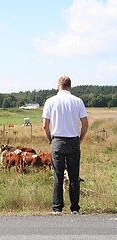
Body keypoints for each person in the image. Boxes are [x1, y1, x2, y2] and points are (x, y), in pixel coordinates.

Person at [42, 76, 88, 214]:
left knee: (58, 175)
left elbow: (45, 125)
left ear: (58, 87)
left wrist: (51, 140)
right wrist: (80, 139)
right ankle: (75, 208)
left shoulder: (50, 101)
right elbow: (85, 123)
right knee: (74, 176)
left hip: (57, 141)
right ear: (70, 87)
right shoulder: (77, 101)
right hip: (73, 140)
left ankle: (57, 208)